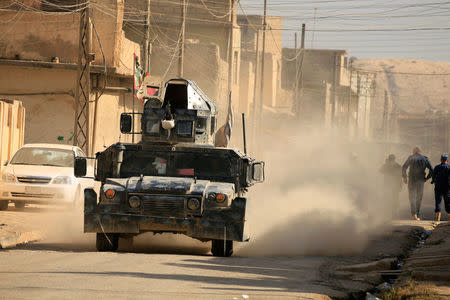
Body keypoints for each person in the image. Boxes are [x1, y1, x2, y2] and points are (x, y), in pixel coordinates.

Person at [402, 146, 433, 220]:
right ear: (420, 152)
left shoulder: (411, 158)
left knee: (411, 197)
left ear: (414, 152)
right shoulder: (425, 159)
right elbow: (432, 170)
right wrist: (426, 178)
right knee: (419, 197)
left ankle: (414, 214)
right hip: (420, 181)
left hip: (412, 180)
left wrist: (405, 177)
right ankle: (417, 214)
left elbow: (404, 167)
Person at [431, 154, 450, 221]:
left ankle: (438, 218)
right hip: (447, 188)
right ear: (447, 160)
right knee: (448, 202)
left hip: (438, 187)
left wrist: (433, 181)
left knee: (438, 202)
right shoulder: (448, 167)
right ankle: (449, 218)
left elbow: (433, 175)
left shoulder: (437, 167)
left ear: (440, 160)